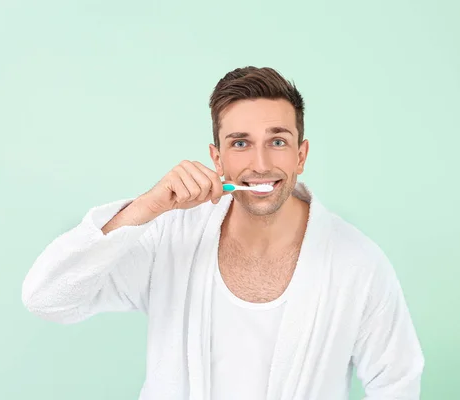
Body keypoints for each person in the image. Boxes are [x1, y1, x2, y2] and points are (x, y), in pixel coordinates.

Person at [22, 66, 425, 400]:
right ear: (217, 158)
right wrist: (147, 207)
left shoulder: (359, 264)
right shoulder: (168, 240)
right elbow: (48, 298)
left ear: (301, 155)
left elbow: (398, 384)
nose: (261, 163)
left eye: (278, 141)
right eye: (240, 143)